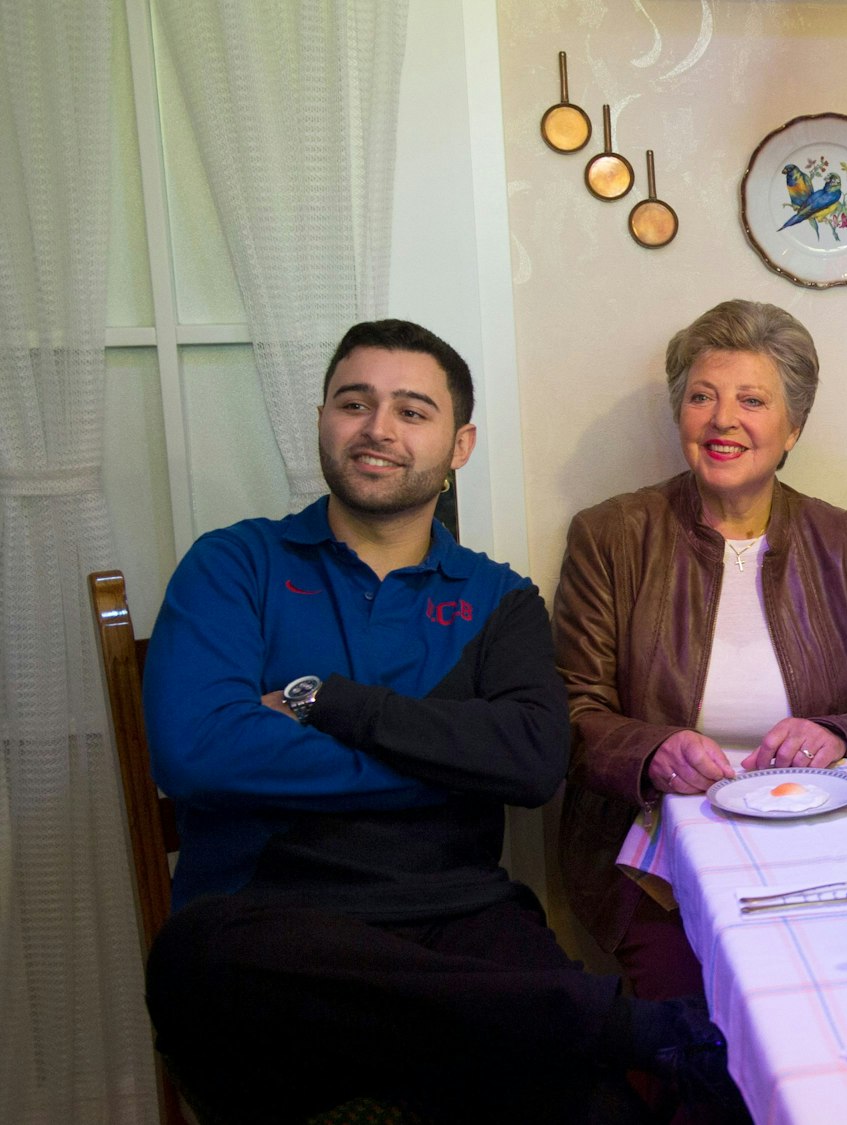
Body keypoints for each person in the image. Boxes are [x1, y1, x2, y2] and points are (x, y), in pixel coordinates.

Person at [141, 319, 736, 1125]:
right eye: (355, 402)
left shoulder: (500, 600)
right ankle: (610, 1023)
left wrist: (327, 703)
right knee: (195, 959)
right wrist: (448, 755)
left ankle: (567, 1025)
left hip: (460, 915)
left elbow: (531, 763)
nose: (378, 427)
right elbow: (195, 752)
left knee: (606, 1116)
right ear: (323, 419)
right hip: (272, 926)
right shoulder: (234, 564)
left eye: (412, 411)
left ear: (460, 444)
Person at [553, 300, 847, 998]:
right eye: (702, 397)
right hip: (656, 857)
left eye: (752, 399)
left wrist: (833, 732)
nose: (722, 420)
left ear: (793, 425)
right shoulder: (610, 535)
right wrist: (652, 751)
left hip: (818, 841)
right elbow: (570, 712)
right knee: (702, 1021)